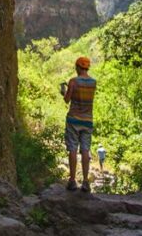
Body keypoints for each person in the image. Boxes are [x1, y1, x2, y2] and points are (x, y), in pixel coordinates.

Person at [61, 56, 96, 193]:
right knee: (86, 149)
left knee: (73, 149)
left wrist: (64, 92)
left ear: (77, 67)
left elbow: (67, 100)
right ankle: (86, 182)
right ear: (87, 68)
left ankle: (72, 180)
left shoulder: (73, 82)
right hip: (87, 120)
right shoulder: (93, 83)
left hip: (73, 120)